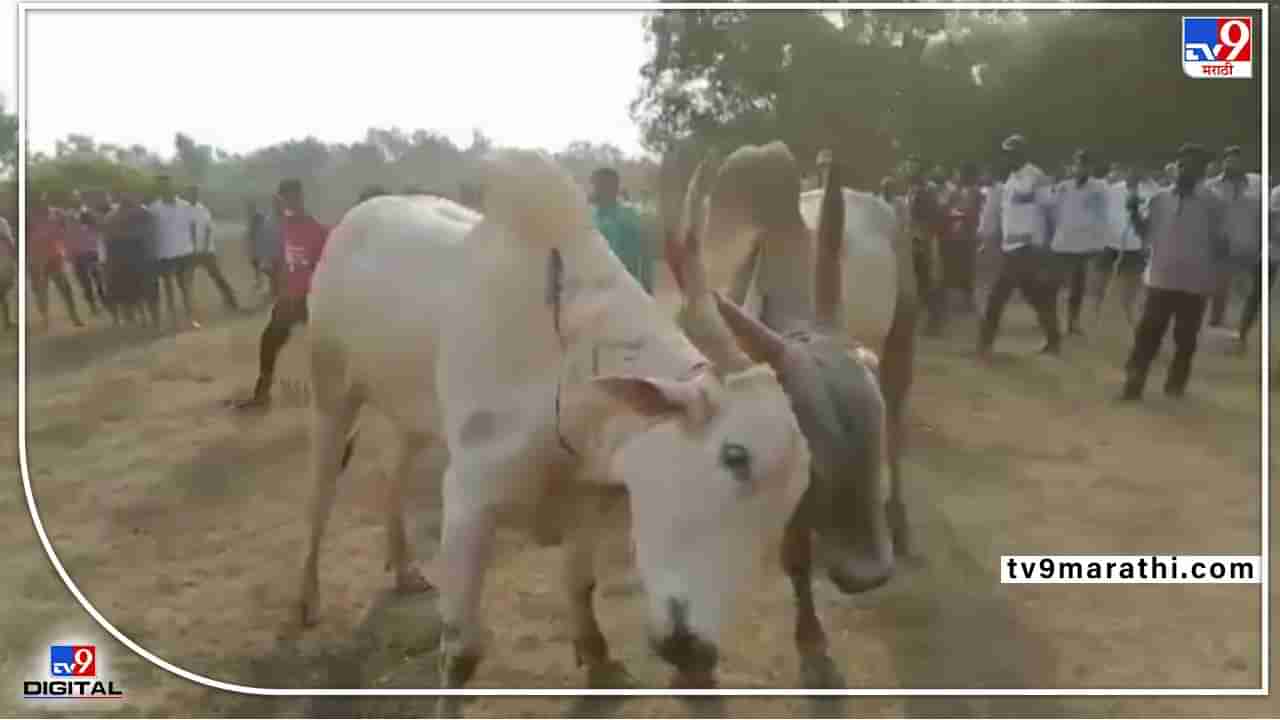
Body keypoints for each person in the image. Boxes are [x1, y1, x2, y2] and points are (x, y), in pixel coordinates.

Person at [1119, 143, 1228, 401]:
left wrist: (1215, 275)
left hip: (1194, 283)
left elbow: (1221, 243)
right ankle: (1133, 386)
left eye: (1191, 165)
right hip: (1160, 280)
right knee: (1147, 336)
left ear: (1201, 171)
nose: (1184, 169)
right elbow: (1145, 233)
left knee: (1185, 339)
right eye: (1181, 164)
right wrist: (1133, 210)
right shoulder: (1159, 199)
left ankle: (1175, 385)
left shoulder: (1213, 204)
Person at [235, 179, 331, 410]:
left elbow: (325, 263)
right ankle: (262, 393)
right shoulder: (279, 227)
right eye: (285, 197)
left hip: (311, 299)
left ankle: (332, 400)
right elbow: (274, 261)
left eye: (292, 197)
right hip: (289, 299)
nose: (289, 201)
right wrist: (275, 282)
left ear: (300, 197)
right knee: (269, 342)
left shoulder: (314, 228)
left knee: (326, 348)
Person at [976, 133, 1061, 360]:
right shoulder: (1011, 180)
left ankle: (984, 343)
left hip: (1028, 247)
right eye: (1005, 154)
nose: (1006, 158)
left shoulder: (1036, 177)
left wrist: (1047, 245)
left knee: (997, 296)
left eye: (1010, 154)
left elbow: (1050, 211)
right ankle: (1054, 339)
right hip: (1012, 247)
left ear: (1021, 154)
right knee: (1035, 295)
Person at [1046, 149, 1110, 336]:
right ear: (1073, 166)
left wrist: (1099, 240)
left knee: (1077, 285)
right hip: (1062, 241)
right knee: (1054, 283)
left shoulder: (1099, 188)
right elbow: (1051, 209)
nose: (1081, 168)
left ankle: (1072, 323)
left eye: (1085, 164)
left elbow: (1102, 215)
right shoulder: (1063, 186)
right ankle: (1051, 320)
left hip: (1083, 244)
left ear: (1090, 167)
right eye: (1078, 164)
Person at [1204, 145, 1263, 329]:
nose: (1232, 163)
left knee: (1246, 291)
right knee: (1220, 287)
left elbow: (1262, 214)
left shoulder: (1257, 184)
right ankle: (1216, 322)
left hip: (1248, 244)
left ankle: (1242, 327)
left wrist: (1261, 242)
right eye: (1228, 159)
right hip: (1220, 245)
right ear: (1223, 162)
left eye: (1237, 159)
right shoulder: (1211, 185)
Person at [1095, 165, 1151, 326]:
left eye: (1137, 169)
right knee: (1098, 287)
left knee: (1128, 295)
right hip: (1110, 244)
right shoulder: (1113, 190)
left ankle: (1130, 326)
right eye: (1130, 168)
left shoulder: (1151, 192)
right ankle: (1097, 323)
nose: (1133, 172)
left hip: (1134, 247)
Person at [900, 154, 946, 335]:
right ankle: (928, 321)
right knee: (919, 283)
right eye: (908, 166)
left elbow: (931, 217)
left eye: (912, 166)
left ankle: (935, 322)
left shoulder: (926, 191)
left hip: (922, 241)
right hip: (913, 240)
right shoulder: (911, 190)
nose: (908, 170)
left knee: (924, 282)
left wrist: (924, 237)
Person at [589, 167, 653, 295]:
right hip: (596, 289)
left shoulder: (629, 216)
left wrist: (646, 286)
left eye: (598, 186)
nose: (594, 190)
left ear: (613, 188)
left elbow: (645, 253)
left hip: (623, 289)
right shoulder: (590, 216)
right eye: (594, 185)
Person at [1235, 172, 1279, 352]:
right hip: (1272, 252)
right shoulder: (1277, 192)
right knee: (1257, 296)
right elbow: (1269, 219)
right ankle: (1242, 335)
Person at [148, 174, 198, 329]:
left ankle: (191, 319)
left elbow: (192, 227)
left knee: (186, 288)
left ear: (172, 186)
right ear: (159, 187)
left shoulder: (185, 205)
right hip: (165, 254)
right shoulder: (153, 208)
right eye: (162, 185)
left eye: (167, 185)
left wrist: (194, 248)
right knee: (169, 289)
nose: (165, 188)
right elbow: (152, 232)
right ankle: (173, 321)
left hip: (185, 252)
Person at [27, 196, 85, 330]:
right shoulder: (28, 220)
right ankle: (45, 319)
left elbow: (66, 233)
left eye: (45, 204)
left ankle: (74, 316)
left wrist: (69, 250)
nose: (44, 206)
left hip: (54, 258)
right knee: (41, 291)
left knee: (65, 288)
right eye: (40, 204)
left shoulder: (57, 216)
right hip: (36, 260)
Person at [103, 189, 158, 326]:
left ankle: (150, 317)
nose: (125, 199)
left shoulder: (144, 213)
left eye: (128, 196)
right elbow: (108, 237)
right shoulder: (112, 215)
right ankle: (135, 318)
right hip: (121, 257)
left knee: (146, 288)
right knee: (127, 289)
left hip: (140, 255)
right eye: (123, 196)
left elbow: (150, 233)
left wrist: (150, 253)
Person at [184, 185, 240, 314]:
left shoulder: (203, 210)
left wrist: (205, 247)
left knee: (217, 276)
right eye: (190, 193)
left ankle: (231, 300)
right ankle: (189, 306)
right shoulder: (184, 210)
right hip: (189, 251)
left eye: (194, 193)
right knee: (186, 280)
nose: (192, 195)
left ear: (197, 195)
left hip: (205, 251)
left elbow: (209, 229)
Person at [941, 161, 983, 314]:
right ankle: (957, 304)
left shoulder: (975, 192)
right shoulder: (955, 192)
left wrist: (956, 213)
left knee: (966, 270)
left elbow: (971, 213)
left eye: (960, 173)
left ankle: (967, 303)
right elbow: (945, 208)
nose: (957, 176)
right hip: (954, 236)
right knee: (953, 269)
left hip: (966, 237)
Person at [63, 201, 106, 317]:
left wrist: (69, 256)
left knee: (93, 282)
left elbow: (68, 239)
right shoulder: (76, 219)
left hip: (86, 255)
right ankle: (98, 305)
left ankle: (96, 306)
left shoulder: (73, 219)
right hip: (87, 254)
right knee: (94, 282)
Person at [246, 197, 283, 299]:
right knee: (269, 270)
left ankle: (275, 291)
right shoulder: (270, 216)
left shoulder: (285, 216)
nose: (276, 205)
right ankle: (274, 291)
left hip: (281, 249)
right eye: (275, 203)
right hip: (271, 250)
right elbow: (264, 232)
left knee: (275, 271)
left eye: (278, 203)